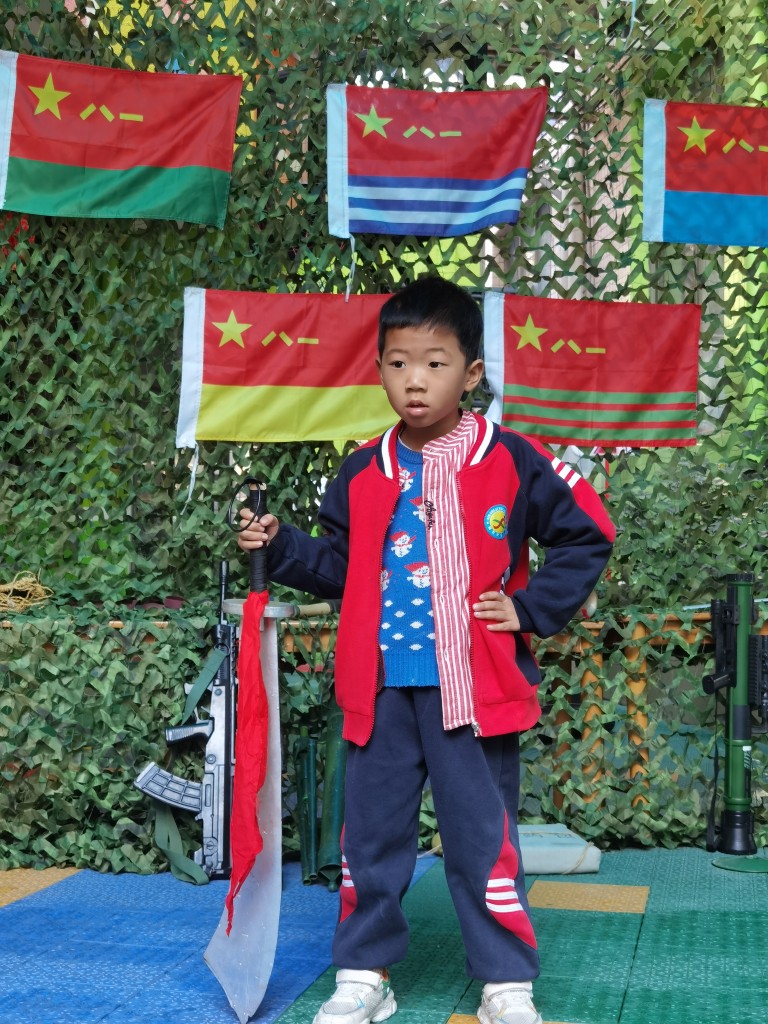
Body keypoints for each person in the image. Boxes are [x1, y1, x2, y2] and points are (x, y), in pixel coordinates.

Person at [237, 275, 615, 1024]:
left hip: (472, 691)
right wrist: (280, 546)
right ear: (379, 369)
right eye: (399, 363)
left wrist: (529, 609)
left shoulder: (511, 459)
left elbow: (587, 533)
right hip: (380, 693)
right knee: (371, 840)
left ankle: (506, 983)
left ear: (471, 374)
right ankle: (364, 974)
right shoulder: (362, 469)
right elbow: (341, 567)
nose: (415, 381)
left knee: (482, 840)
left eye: (435, 364)